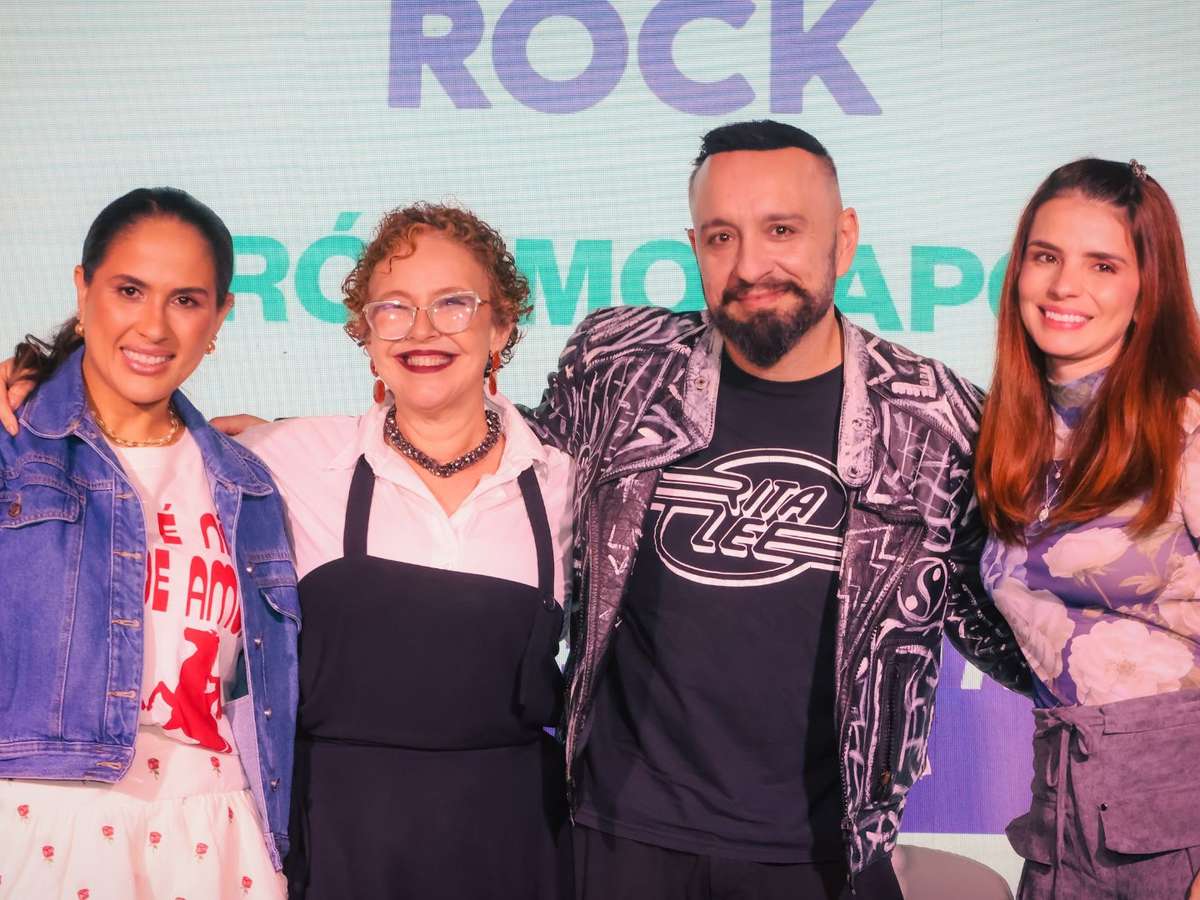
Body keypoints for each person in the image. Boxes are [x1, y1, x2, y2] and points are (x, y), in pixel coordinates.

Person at [524, 120, 1032, 899]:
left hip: (822, 857)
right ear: (694, 246)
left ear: (844, 238)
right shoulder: (619, 368)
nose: (750, 265)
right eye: (721, 237)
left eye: (782, 231)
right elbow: (509, 485)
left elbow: (1030, 630)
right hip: (619, 837)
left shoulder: (938, 421)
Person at [224, 203, 574, 898]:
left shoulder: (567, 481)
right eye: (394, 308)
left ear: (501, 326)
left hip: (516, 842)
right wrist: (35, 377)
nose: (422, 330)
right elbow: (135, 439)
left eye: (453, 304)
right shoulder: (288, 457)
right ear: (365, 332)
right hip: (340, 837)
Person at [0, 187, 298, 898]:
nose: (154, 326)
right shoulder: (14, 451)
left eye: (186, 300)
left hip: (215, 829)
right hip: (44, 820)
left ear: (219, 317)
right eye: (129, 290)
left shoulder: (252, 482)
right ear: (84, 289)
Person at [975, 158, 1200, 899]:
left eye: (1102, 265)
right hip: (1061, 817)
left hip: (1181, 830)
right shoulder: (1010, 436)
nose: (1064, 286)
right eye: (1046, 257)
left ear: (1146, 289)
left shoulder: (1186, 430)